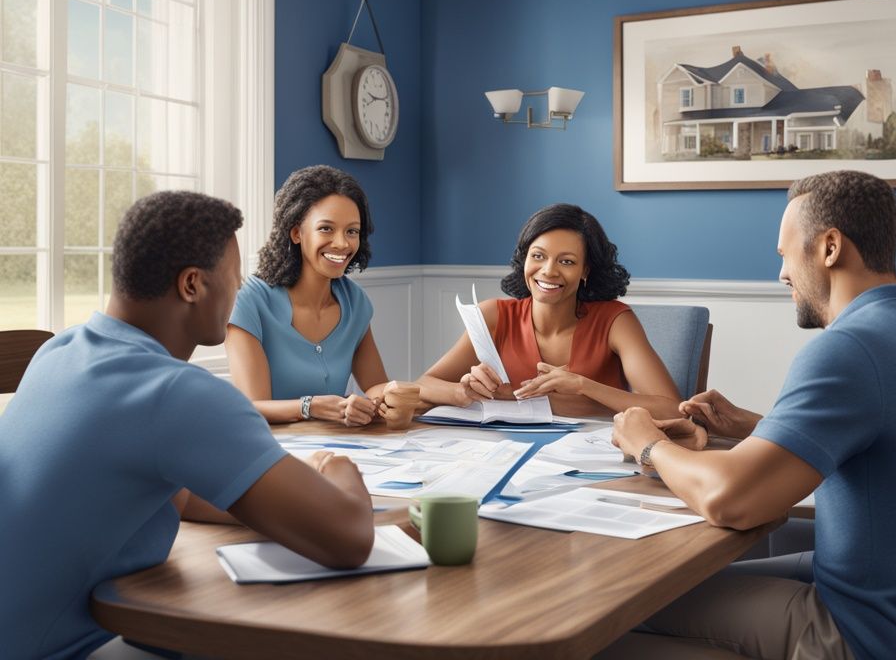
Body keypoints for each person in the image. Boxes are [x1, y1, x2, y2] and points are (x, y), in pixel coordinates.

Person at [609, 171, 896, 659]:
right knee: (653, 590)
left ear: (830, 247)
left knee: (618, 608)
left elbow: (732, 499)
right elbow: (882, 443)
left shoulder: (851, 347)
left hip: (861, 631)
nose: (782, 274)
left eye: (785, 254)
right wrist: (756, 427)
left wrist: (646, 441)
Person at [0, 192, 375, 659]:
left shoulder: (60, 352)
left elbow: (182, 494)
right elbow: (351, 539)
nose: (238, 291)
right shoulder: (177, 393)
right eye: (233, 280)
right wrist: (334, 467)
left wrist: (282, 499)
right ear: (193, 285)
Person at [417, 203, 689, 422]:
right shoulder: (494, 315)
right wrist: (463, 392)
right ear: (524, 259)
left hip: (595, 458)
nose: (548, 271)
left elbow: (672, 409)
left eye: (566, 261)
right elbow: (425, 384)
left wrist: (583, 386)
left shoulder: (615, 321)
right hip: (505, 450)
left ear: (585, 270)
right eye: (538, 256)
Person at [226, 165, 417, 426]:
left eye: (352, 231)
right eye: (326, 228)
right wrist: (310, 406)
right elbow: (252, 407)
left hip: (336, 447)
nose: (342, 243)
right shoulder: (250, 302)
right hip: (270, 450)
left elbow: (375, 385)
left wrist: (388, 400)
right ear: (296, 233)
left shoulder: (355, 302)